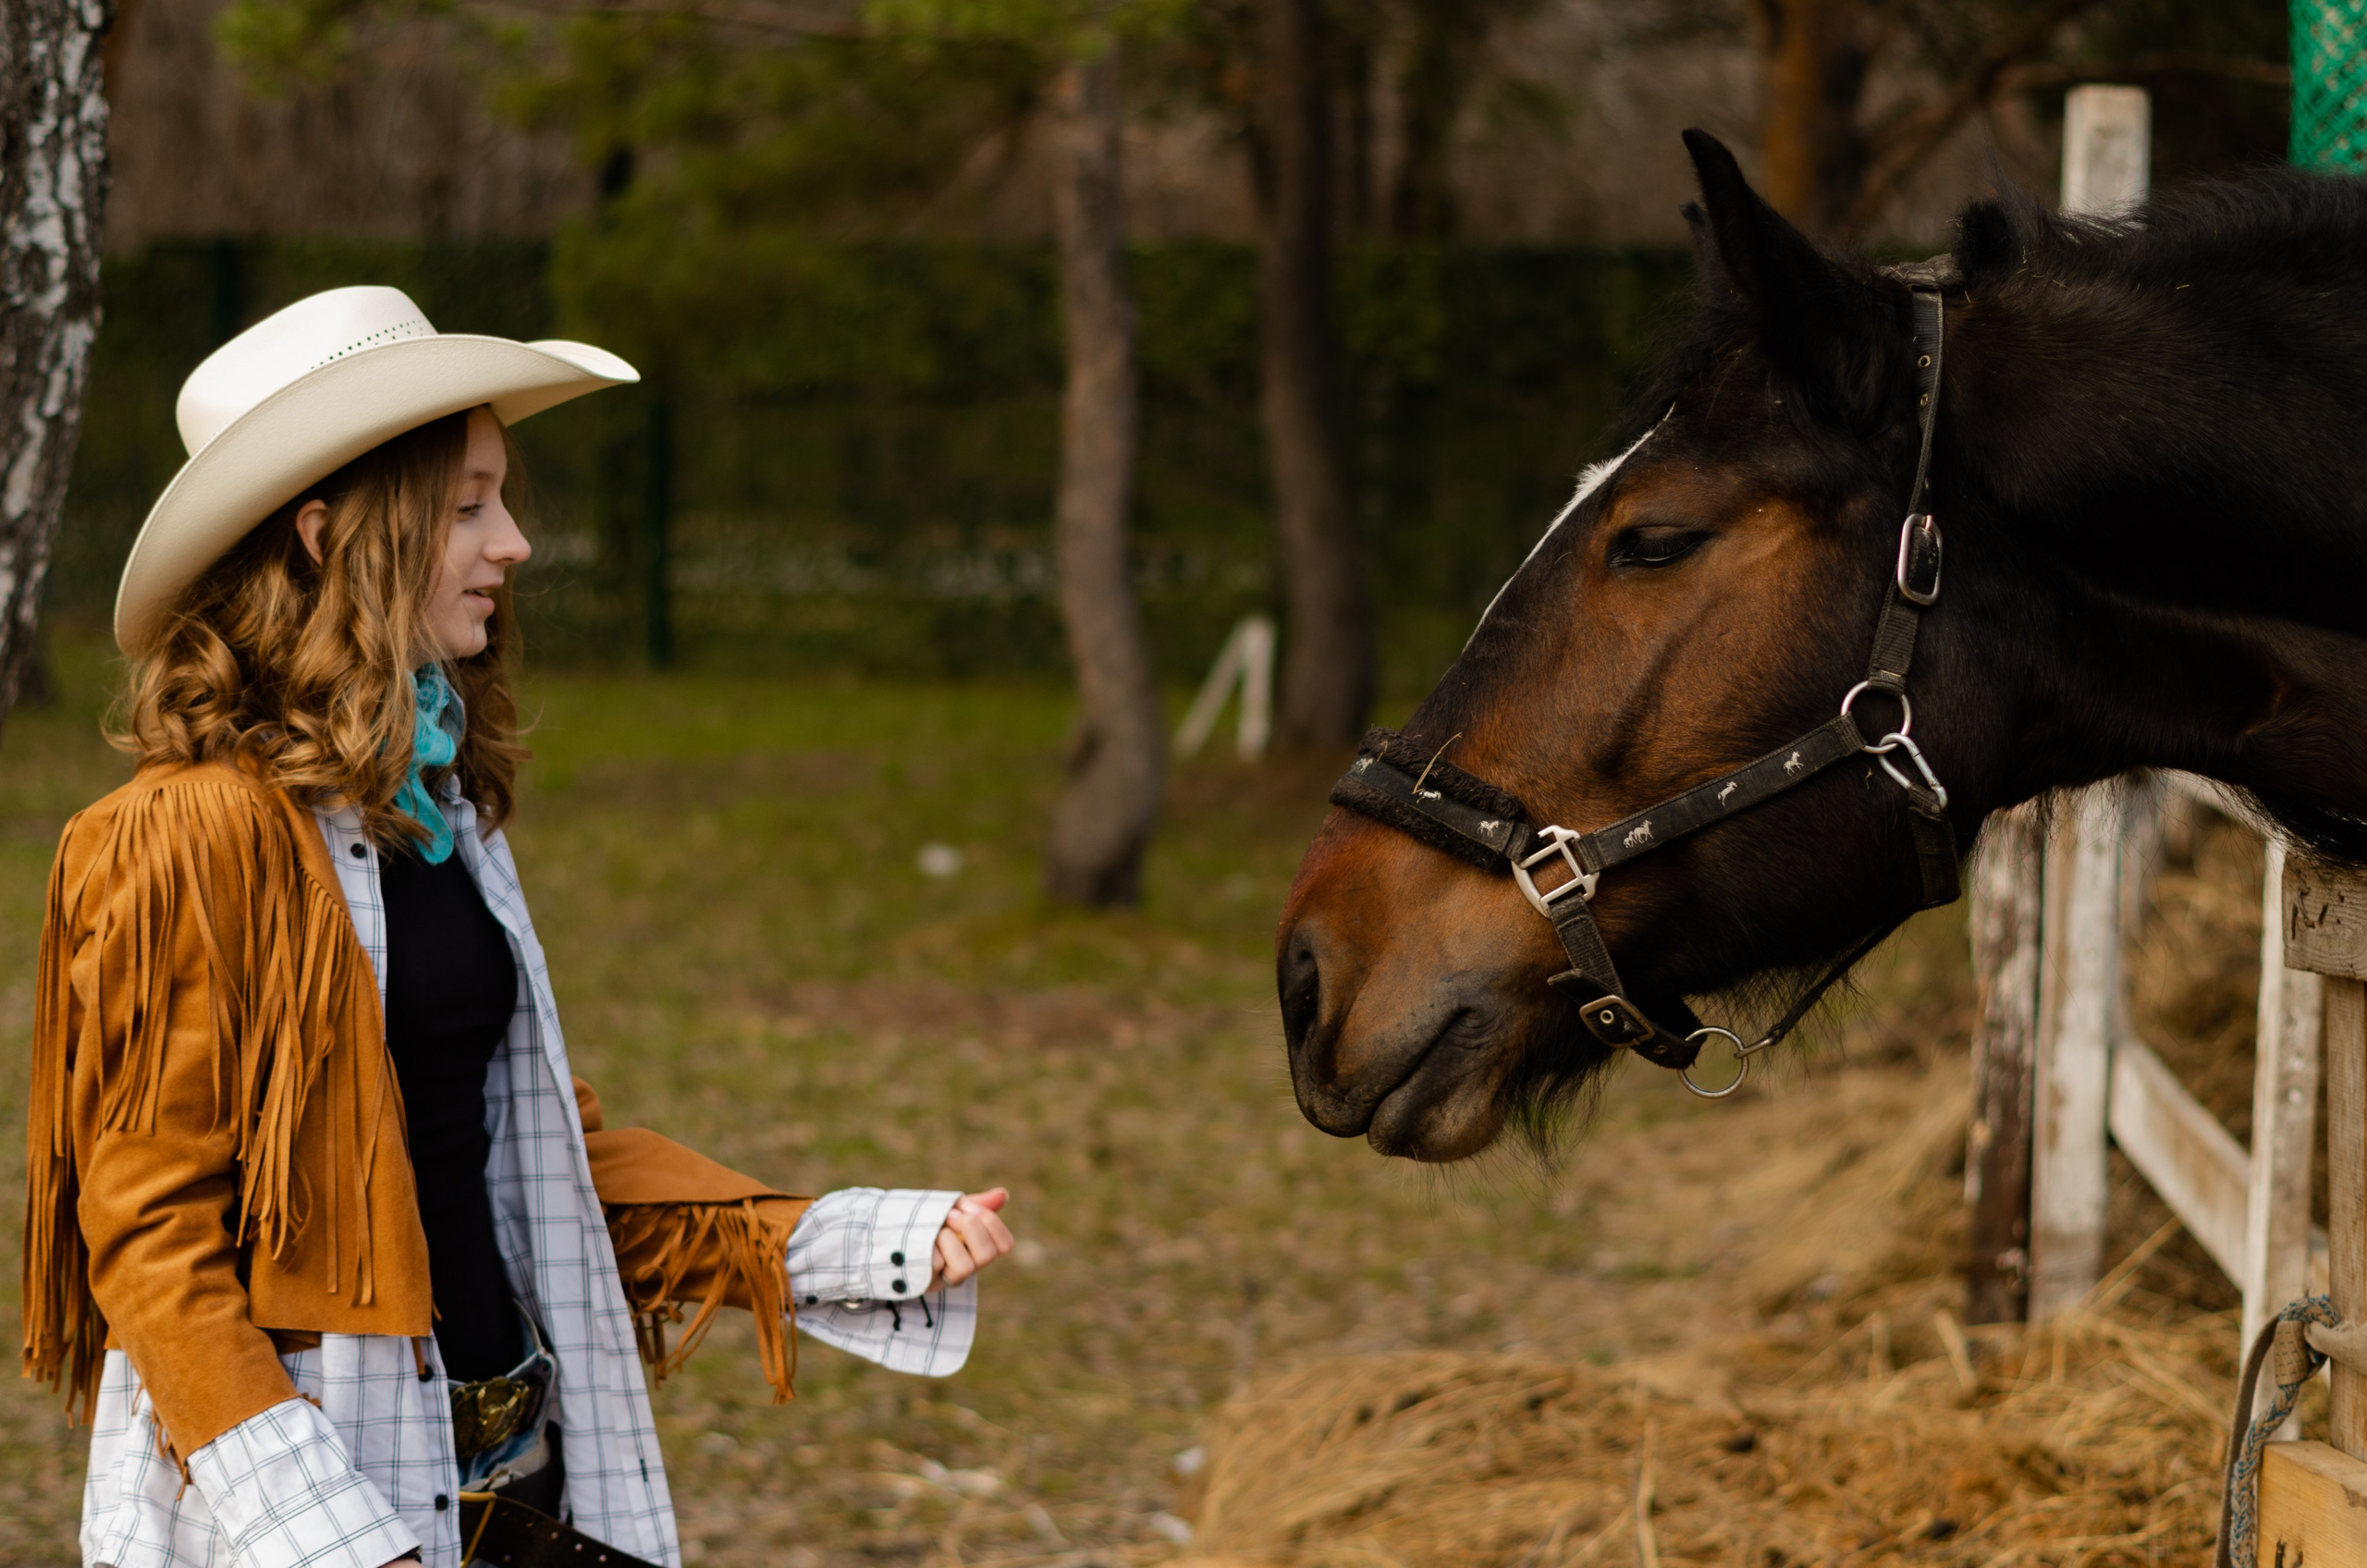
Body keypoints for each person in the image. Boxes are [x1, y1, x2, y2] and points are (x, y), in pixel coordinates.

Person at [21, 286, 1015, 1568]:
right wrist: (338, 1545)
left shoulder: (432, 814)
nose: (515, 545)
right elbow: (155, 1247)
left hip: (514, 1477)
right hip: (322, 1510)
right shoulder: (192, 839)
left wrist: (862, 1240)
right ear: (334, 536)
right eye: (468, 506)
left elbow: (532, 1161)